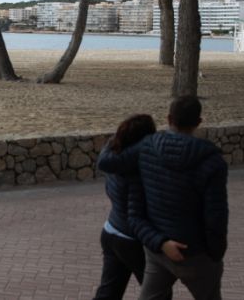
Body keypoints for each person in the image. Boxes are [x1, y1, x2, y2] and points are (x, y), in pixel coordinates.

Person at [98, 96, 228, 300]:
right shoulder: (212, 161)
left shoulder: (147, 147)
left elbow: (108, 163)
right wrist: (215, 253)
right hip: (193, 252)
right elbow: (216, 215)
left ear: (169, 118)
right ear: (199, 122)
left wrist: (159, 242)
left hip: (154, 249)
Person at [93, 114, 157, 300]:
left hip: (111, 230)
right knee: (157, 294)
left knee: (108, 292)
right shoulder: (137, 168)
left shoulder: (114, 155)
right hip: (132, 240)